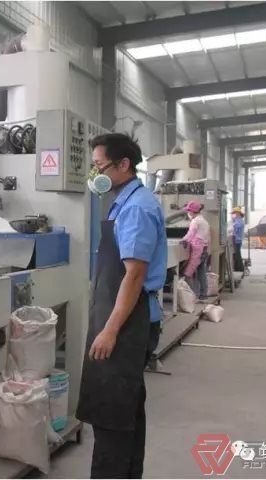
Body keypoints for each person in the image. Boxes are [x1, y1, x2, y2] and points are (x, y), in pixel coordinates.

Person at [77, 133, 167, 479]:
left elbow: (135, 274)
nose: (95, 173)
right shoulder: (124, 202)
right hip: (124, 316)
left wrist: (110, 330)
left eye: (99, 166)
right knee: (126, 411)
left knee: (111, 414)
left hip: (129, 323)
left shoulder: (136, 208)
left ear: (124, 164)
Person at [180, 201, 210, 299]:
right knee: (201, 272)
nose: (188, 213)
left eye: (189, 211)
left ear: (192, 211)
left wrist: (184, 240)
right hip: (204, 249)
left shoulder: (195, 221)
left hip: (198, 250)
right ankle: (203, 294)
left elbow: (191, 233)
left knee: (188, 273)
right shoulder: (204, 221)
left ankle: (191, 296)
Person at [231, 207, 245, 272]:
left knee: (237, 255)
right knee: (236, 255)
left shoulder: (239, 221)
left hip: (237, 240)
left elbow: (235, 228)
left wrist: (233, 223)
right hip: (237, 240)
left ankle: (240, 269)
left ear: (238, 213)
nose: (233, 214)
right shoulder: (237, 220)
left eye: (234, 213)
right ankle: (237, 269)